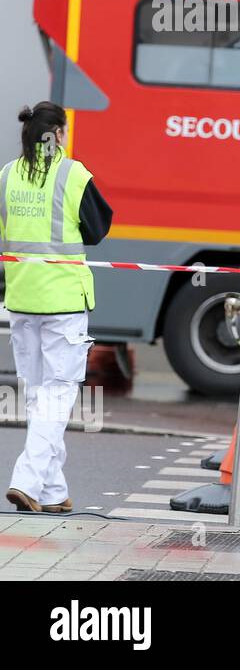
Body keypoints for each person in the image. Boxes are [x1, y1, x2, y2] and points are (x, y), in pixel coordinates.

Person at [3, 102, 113, 514]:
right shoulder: (72, 174)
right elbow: (99, 229)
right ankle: (26, 481)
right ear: (60, 134)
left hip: (21, 301)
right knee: (58, 395)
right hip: (63, 303)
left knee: (38, 397)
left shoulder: (7, 176)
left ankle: (51, 492)